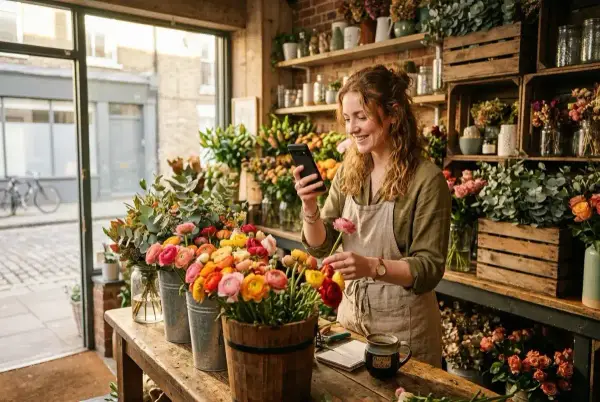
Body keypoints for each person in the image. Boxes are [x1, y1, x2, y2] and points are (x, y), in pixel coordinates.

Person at [293, 65, 451, 367]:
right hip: (352, 324)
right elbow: (320, 245)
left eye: (362, 117)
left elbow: (429, 268)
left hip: (405, 334)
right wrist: (309, 205)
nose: (352, 128)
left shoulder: (426, 180)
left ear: (392, 115)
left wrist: (370, 266)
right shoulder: (350, 171)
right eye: (348, 118)